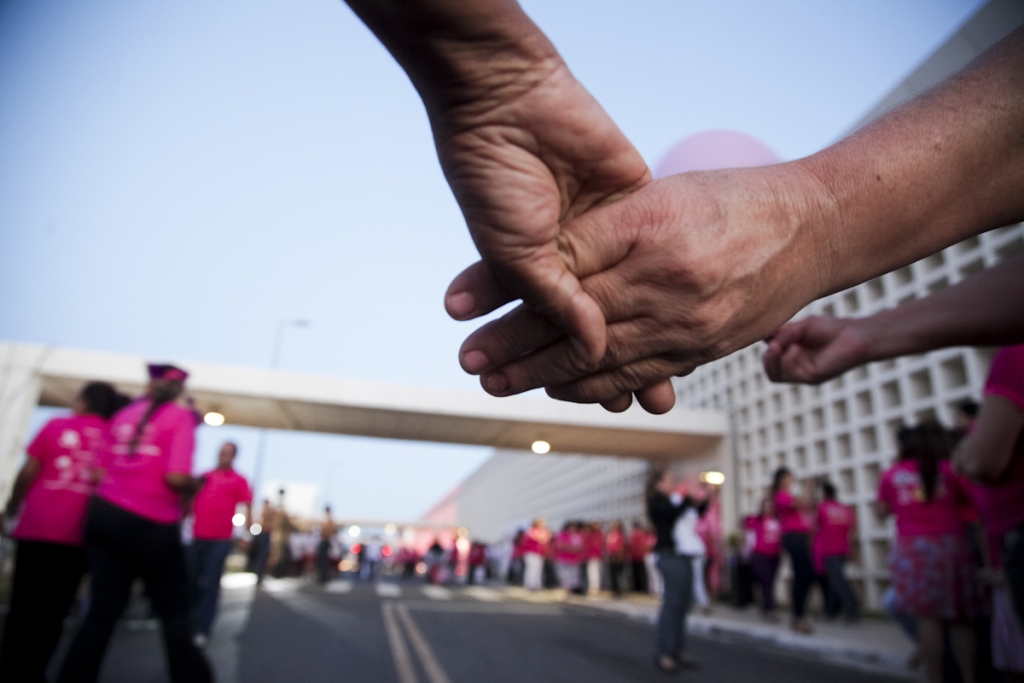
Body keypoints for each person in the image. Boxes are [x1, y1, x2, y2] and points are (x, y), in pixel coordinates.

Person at [56, 364, 212, 683]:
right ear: (180, 391)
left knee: (101, 612)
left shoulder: (123, 415)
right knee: (175, 612)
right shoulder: (179, 417)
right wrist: (196, 485)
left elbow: (98, 472)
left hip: (104, 515)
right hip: (151, 522)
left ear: (149, 385)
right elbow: (175, 476)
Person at [0, 382, 126, 682]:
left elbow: (28, 471)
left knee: (22, 603)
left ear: (83, 401)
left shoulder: (56, 425)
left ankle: (8, 667)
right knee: (54, 609)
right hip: (78, 534)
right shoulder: (114, 437)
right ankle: (33, 671)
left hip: (35, 526)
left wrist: (12, 508)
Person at [876, 423, 985, 683]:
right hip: (951, 547)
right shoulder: (950, 469)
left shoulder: (893, 474)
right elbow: (975, 503)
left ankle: (936, 677)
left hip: (912, 549)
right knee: (962, 620)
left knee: (927, 620)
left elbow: (881, 512)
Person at [188, 441, 252, 646]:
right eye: (221, 452)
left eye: (227, 453)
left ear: (234, 456)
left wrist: (246, 535)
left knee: (211, 584)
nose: (223, 456)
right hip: (197, 536)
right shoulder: (204, 477)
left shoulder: (239, 480)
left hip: (221, 539)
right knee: (191, 582)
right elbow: (189, 501)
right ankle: (188, 624)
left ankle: (202, 628)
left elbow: (246, 507)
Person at [646, 469, 708, 673]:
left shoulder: (676, 499)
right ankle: (663, 652)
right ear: (658, 484)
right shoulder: (657, 502)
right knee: (672, 603)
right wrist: (688, 496)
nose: (673, 482)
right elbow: (673, 514)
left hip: (684, 555)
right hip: (669, 555)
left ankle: (677, 649)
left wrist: (706, 491)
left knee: (684, 603)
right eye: (669, 479)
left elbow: (696, 512)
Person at [772, 467, 816, 633]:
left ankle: (799, 614)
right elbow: (801, 503)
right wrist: (808, 486)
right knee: (803, 574)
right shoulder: (780, 496)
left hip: (801, 537)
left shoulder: (790, 495)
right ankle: (798, 615)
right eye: (789, 477)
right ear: (782, 479)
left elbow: (807, 504)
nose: (791, 480)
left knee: (806, 575)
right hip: (793, 537)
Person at [814, 481, 859, 622]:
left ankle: (853, 609)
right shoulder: (844, 508)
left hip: (830, 549)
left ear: (824, 494)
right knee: (836, 581)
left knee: (837, 582)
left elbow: (815, 526)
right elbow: (852, 528)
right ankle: (831, 611)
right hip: (844, 548)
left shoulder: (822, 507)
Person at [745, 497, 782, 620]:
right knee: (766, 581)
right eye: (765, 505)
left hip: (774, 555)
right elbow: (748, 536)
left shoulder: (778, 520)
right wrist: (746, 553)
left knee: (770, 582)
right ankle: (770, 608)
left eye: (770, 505)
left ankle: (766, 606)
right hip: (760, 555)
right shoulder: (756, 520)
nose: (768, 508)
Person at [553, 521, 584, 596]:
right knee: (563, 576)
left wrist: (569, 548)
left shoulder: (577, 536)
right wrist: (572, 548)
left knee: (572, 578)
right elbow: (559, 546)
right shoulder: (562, 535)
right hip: (563, 559)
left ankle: (568, 592)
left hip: (574, 561)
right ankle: (564, 592)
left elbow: (580, 548)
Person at [521, 518, 550, 591]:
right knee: (531, 569)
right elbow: (535, 538)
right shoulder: (531, 530)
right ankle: (529, 584)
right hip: (531, 553)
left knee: (538, 570)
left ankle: (537, 585)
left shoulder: (542, 531)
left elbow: (546, 538)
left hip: (540, 553)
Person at [316, 505, 338, 584]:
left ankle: (324, 577)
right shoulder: (327, 519)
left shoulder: (329, 520)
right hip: (325, 541)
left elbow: (329, 531)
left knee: (324, 560)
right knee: (323, 560)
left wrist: (324, 534)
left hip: (325, 541)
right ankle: (323, 576)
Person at [605, 520, 627, 597]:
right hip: (611, 557)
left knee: (619, 574)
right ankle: (614, 589)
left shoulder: (619, 535)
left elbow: (621, 547)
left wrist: (619, 556)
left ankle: (620, 590)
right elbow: (608, 546)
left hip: (617, 557)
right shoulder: (609, 535)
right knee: (612, 574)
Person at [628, 521, 650, 594]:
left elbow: (631, 544)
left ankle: (637, 588)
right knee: (642, 573)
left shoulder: (633, 533)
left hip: (635, 555)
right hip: (640, 555)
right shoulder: (642, 533)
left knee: (636, 573)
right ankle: (643, 587)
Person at [584, 522, 603, 597]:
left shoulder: (598, 534)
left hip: (594, 556)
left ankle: (595, 589)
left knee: (594, 573)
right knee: (592, 573)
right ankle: (593, 588)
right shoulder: (591, 534)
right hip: (591, 556)